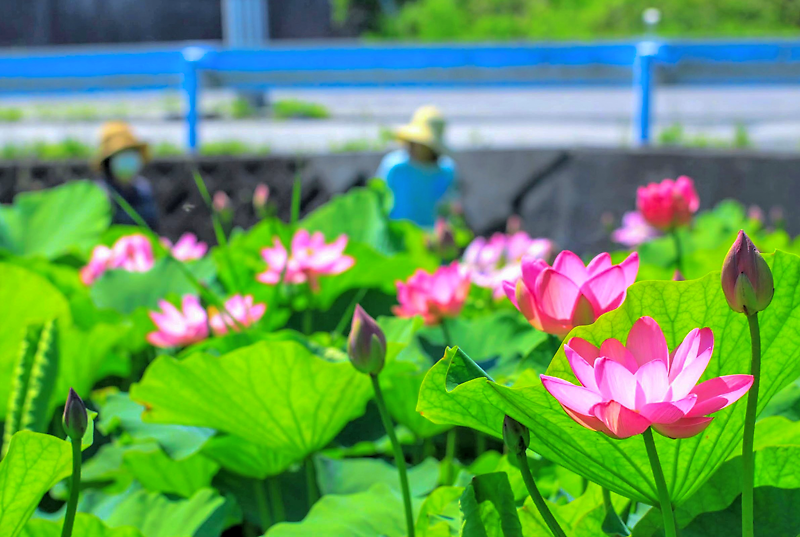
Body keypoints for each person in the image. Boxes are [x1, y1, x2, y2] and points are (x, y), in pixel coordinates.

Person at [377, 106, 457, 228]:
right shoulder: (394, 167)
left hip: (431, 239)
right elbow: (378, 204)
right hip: (396, 237)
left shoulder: (446, 171)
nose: (417, 147)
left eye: (422, 143)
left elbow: (449, 208)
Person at [93, 121, 159, 230]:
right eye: (122, 154)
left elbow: (154, 228)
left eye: (131, 152)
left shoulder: (144, 189)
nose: (128, 158)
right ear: (109, 161)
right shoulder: (99, 193)